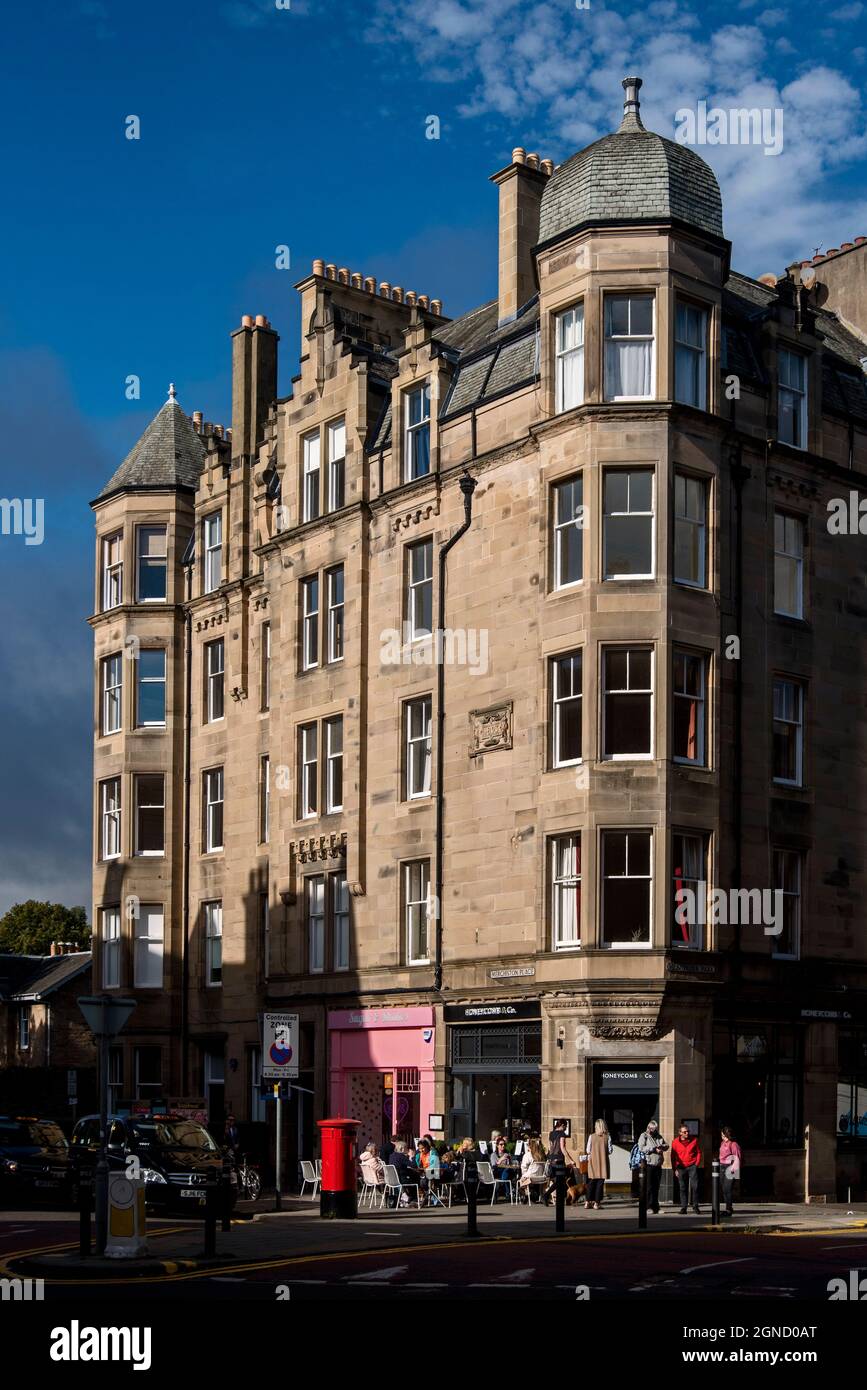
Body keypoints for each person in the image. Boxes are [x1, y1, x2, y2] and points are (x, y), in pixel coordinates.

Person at [637, 1120, 669, 1214]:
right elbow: (641, 1148)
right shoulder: (644, 1136)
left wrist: (662, 1146)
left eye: (655, 1129)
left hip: (658, 1165)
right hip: (648, 1164)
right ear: (648, 1128)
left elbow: (667, 1145)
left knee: (656, 1187)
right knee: (649, 1187)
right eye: (651, 1129)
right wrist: (654, 1149)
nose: (653, 1131)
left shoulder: (658, 1136)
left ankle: (656, 1207)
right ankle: (648, 1207)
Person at [671, 1121, 702, 1214]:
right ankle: (683, 1207)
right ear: (680, 1133)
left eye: (688, 1131)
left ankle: (695, 1206)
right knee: (682, 1187)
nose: (687, 1133)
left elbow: (699, 1153)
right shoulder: (675, 1142)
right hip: (681, 1167)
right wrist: (674, 1169)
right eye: (684, 1132)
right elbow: (673, 1156)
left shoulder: (694, 1140)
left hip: (692, 1166)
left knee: (695, 1187)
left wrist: (696, 1164)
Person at [545, 1119, 578, 1203]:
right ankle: (547, 1195)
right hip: (559, 1160)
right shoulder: (562, 1134)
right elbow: (563, 1148)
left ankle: (549, 1196)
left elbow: (550, 1147)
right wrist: (571, 1160)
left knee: (559, 1181)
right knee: (561, 1180)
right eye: (565, 1126)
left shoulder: (551, 1133)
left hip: (552, 1160)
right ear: (562, 1125)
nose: (566, 1127)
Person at [585, 1119, 613, 1209]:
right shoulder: (608, 1137)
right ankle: (597, 1203)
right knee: (600, 1183)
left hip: (593, 1162)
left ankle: (587, 1202)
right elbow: (610, 1150)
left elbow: (588, 1150)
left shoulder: (591, 1136)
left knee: (591, 1182)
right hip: (603, 1162)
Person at [719, 1126, 742, 1217]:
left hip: (731, 1167)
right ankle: (728, 1207)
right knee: (724, 1189)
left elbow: (737, 1158)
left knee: (728, 1189)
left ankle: (728, 1209)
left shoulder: (734, 1144)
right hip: (722, 1167)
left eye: (723, 1136)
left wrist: (733, 1170)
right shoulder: (722, 1143)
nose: (722, 1137)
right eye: (721, 1136)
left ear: (728, 1135)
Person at [519, 1136, 547, 1201]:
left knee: (521, 1180)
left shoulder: (528, 1155)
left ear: (529, 1146)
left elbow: (523, 1167)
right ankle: (532, 1194)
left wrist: (524, 1175)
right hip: (541, 1178)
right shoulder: (542, 1155)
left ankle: (526, 1194)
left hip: (531, 1178)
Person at [491, 1136, 516, 1200]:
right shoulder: (493, 1155)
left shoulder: (507, 1154)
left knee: (507, 1170)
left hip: (506, 1171)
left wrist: (510, 1160)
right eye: (501, 1144)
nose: (503, 1146)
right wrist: (501, 1159)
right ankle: (509, 1193)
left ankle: (508, 1192)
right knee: (507, 1172)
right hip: (497, 1172)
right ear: (497, 1145)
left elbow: (510, 1164)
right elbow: (493, 1166)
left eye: (504, 1144)